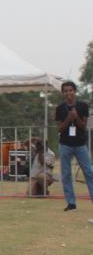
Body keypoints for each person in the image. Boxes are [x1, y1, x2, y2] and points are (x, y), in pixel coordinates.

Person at [55, 81, 93, 211]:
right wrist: (68, 119)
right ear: (63, 93)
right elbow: (59, 129)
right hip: (65, 144)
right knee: (66, 174)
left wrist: (76, 118)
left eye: (70, 90)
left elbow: (83, 127)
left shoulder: (83, 106)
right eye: (65, 91)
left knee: (89, 173)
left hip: (80, 144)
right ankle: (71, 203)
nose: (68, 93)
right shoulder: (60, 108)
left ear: (74, 91)